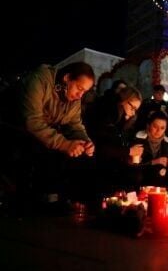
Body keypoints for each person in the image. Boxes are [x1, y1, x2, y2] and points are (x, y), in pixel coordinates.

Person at [0, 62, 96, 211]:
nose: (80, 95)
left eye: (85, 92)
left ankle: (54, 200)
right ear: (67, 78)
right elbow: (32, 122)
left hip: (39, 135)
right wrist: (64, 144)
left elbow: (75, 124)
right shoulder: (38, 81)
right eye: (79, 88)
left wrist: (85, 142)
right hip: (11, 130)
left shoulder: (74, 100)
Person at [86, 85, 143, 190]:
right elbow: (102, 147)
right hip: (94, 167)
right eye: (132, 107)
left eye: (136, 110)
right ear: (124, 100)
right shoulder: (107, 114)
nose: (133, 113)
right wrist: (129, 151)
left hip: (107, 166)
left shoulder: (120, 119)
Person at [133, 111, 168, 189]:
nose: (159, 131)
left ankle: (167, 198)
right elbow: (133, 165)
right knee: (159, 170)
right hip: (143, 174)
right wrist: (154, 162)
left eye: (162, 128)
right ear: (149, 125)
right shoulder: (139, 138)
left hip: (161, 175)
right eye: (155, 126)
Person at [135, 84, 168, 150]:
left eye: (162, 93)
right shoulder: (147, 103)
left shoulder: (167, 105)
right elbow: (140, 118)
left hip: (163, 134)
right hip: (147, 132)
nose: (160, 95)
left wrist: (166, 116)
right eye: (158, 93)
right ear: (154, 93)